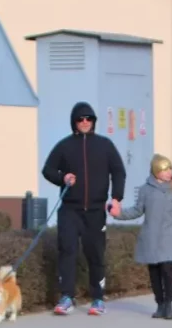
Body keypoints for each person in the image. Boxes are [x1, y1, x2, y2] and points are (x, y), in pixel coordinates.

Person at [41, 102, 126, 316]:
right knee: (67, 251)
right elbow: (48, 169)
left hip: (96, 211)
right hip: (70, 210)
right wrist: (63, 177)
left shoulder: (105, 145)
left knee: (95, 253)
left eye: (89, 118)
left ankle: (97, 298)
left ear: (94, 121)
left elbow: (118, 172)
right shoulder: (65, 146)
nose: (85, 122)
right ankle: (66, 297)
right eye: (80, 119)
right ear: (74, 122)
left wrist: (116, 198)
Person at [115, 153, 172, 319]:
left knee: (167, 271)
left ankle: (169, 305)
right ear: (156, 172)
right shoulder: (145, 190)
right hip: (151, 238)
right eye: (164, 169)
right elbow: (136, 210)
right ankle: (160, 304)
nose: (169, 172)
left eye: (170, 168)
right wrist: (118, 213)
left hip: (169, 239)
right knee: (154, 272)